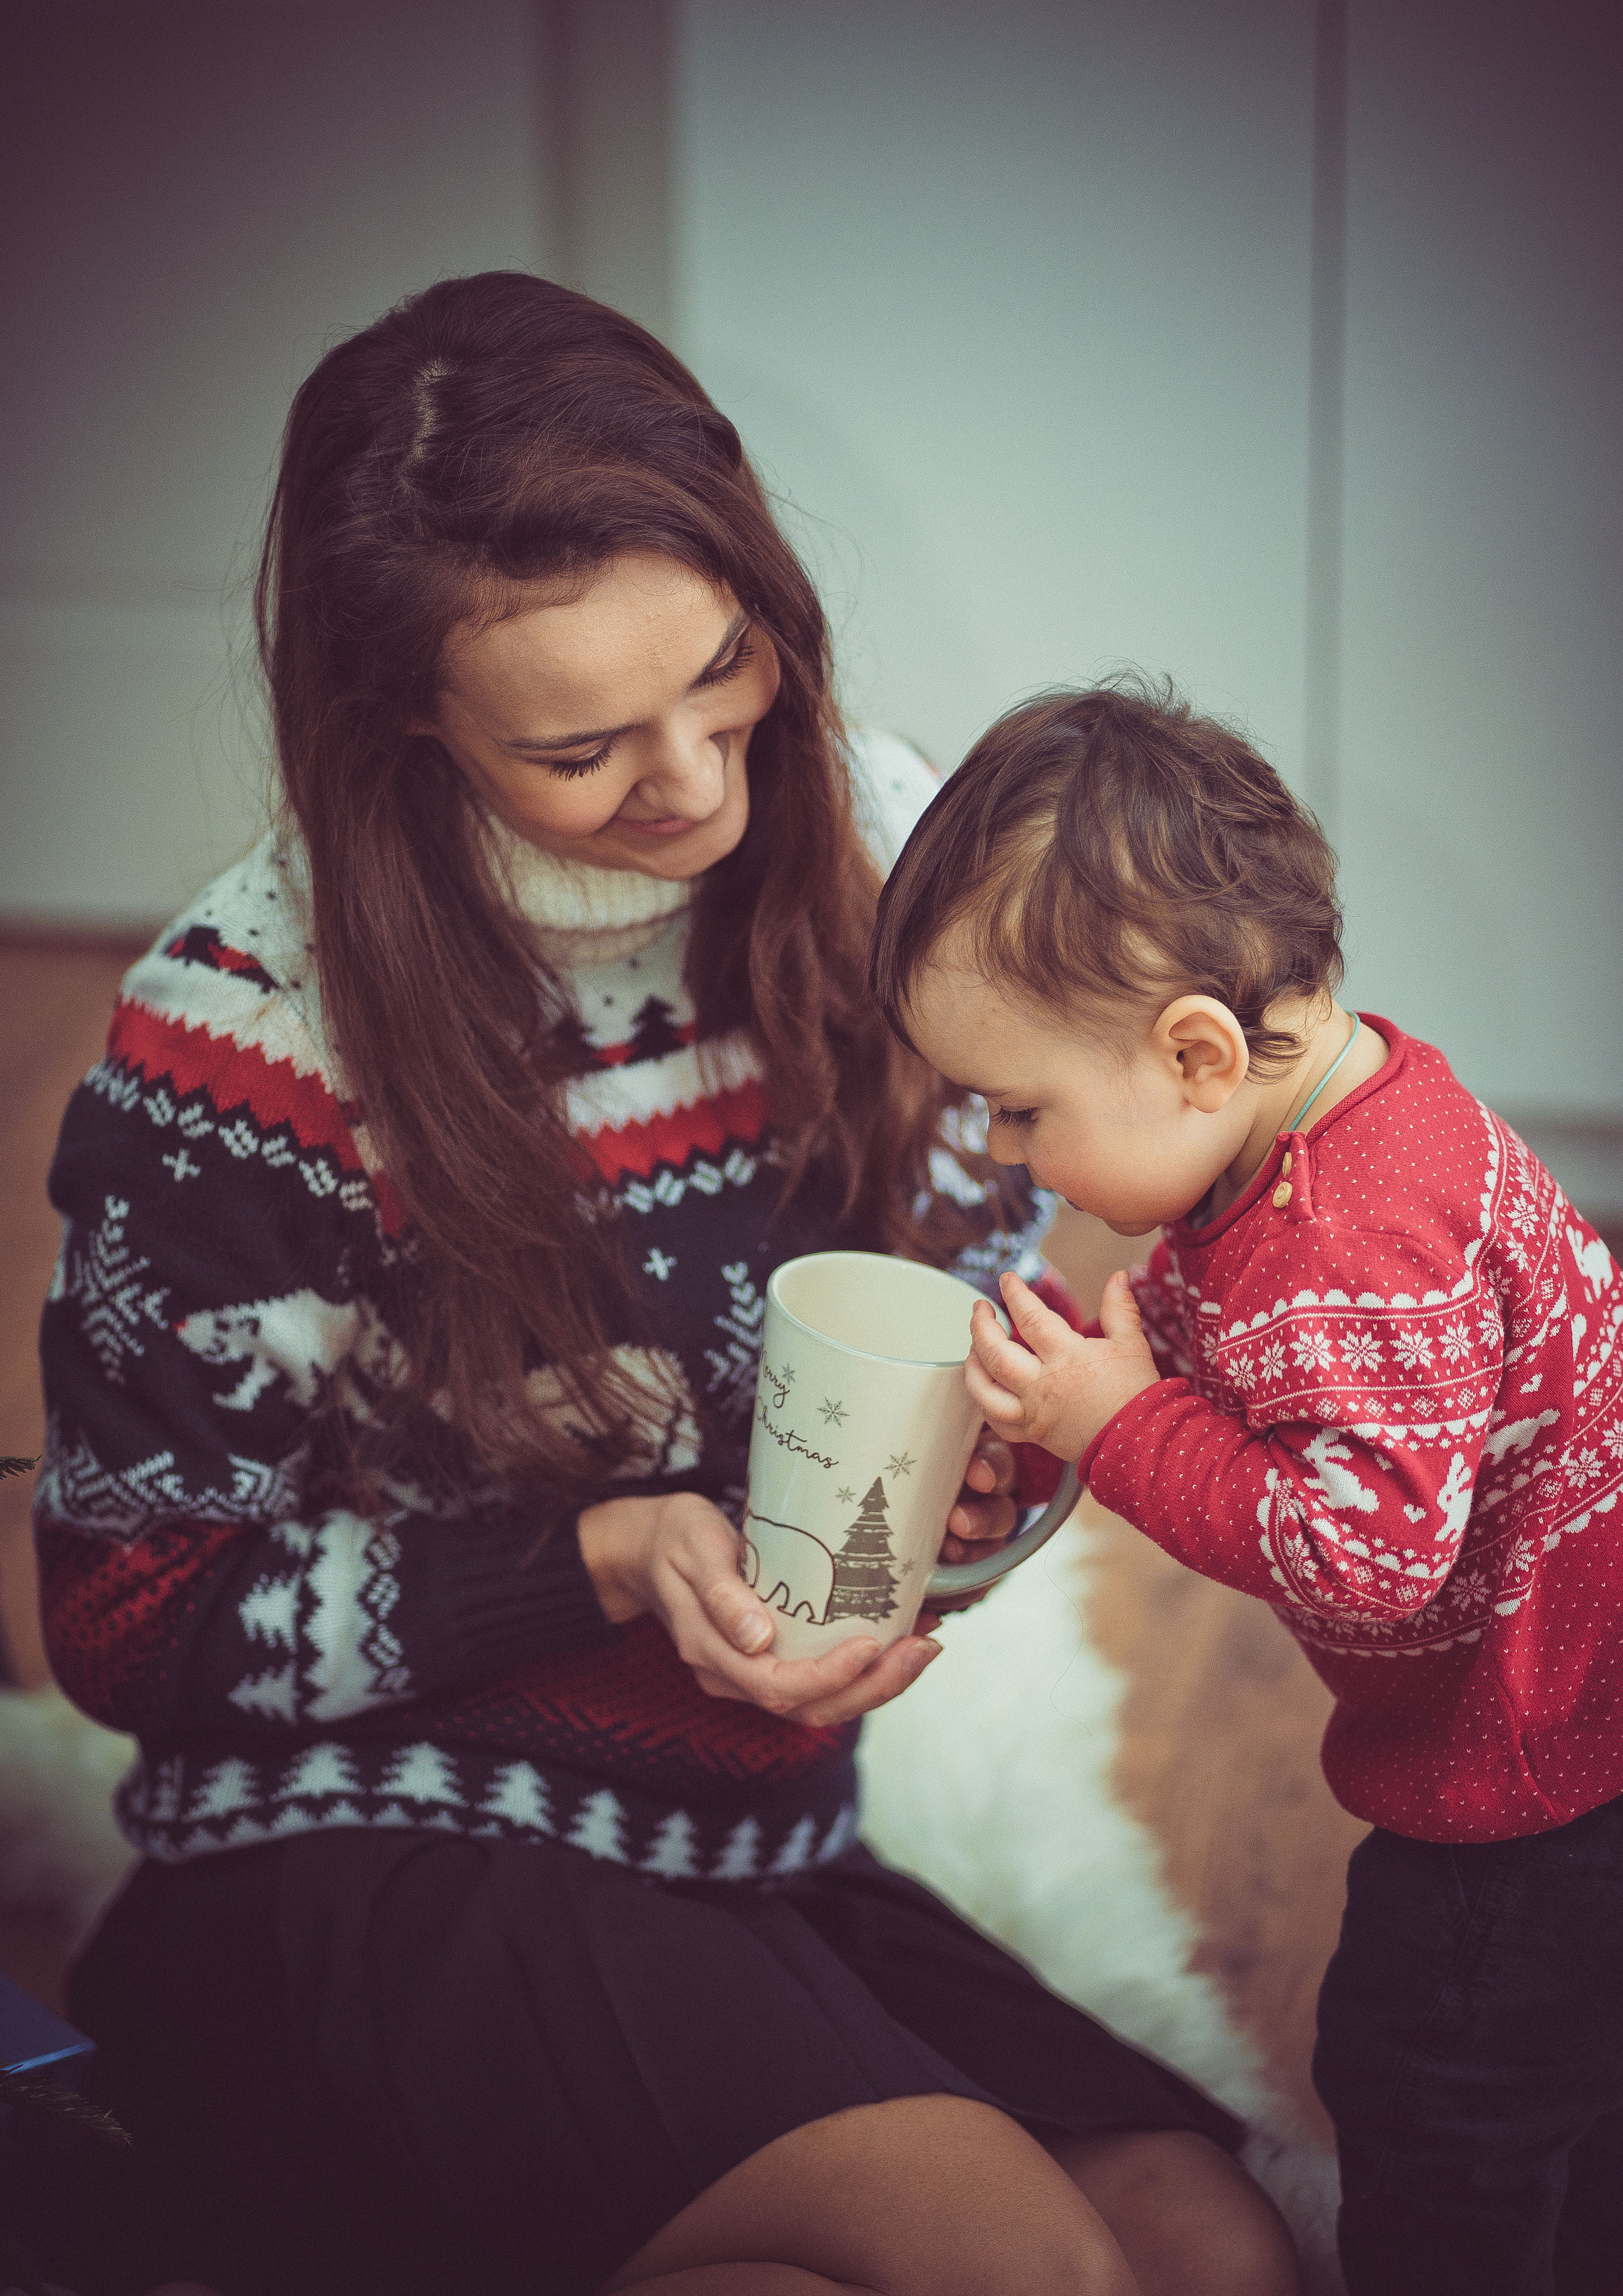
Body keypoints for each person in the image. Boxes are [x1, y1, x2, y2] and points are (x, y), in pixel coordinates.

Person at [36, 279, 1295, 2296]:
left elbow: (974, 1298)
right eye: (581, 746)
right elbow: (126, 1614)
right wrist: (604, 1557)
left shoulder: (888, 844)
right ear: (403, 724)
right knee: (1020, 2264)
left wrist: (962, 1519)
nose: (701, 779)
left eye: (729, 670)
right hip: (383, 1841)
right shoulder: (245, 1040)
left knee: (1213, 2248)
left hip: (743, 1826)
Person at [872, 678, 1623, 2296]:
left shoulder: (1348, 1247)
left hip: (1527, 1782)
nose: (1004, 1150)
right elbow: (1283, 1369)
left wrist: (1115, 1425)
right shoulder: (1337, 1118)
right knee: (1574, 2094)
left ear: (1195, 1052)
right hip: (1576, 1705)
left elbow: (1365, 1561)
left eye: (1021, 1104)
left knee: (1439, 2104)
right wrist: (1103, 1377)